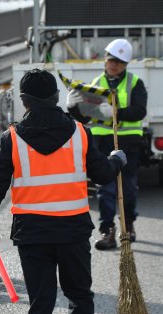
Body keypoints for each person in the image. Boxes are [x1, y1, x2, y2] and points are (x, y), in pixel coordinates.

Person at [0, 69, 126, 314]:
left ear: (24, 101)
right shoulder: (81, 133)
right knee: (80, 296)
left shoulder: (12, 138)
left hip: (32, 233)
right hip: (72, 229)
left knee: (41, 302)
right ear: (57, 97)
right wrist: (117, 160)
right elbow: (102, 173)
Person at [67, 38, 148, 250]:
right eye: (112, 60)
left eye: (119, 62)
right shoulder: (94, 85)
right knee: (106, 189)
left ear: (126, 64)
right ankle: (107, 230)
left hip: (128, 143)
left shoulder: (135, 83)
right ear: (105, 59)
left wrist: (115, 113)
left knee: (128, 189)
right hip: (102, 143)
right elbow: (84, 118)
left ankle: (127, 225)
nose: (114, 65)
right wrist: (73, 106)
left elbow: (140, 111)